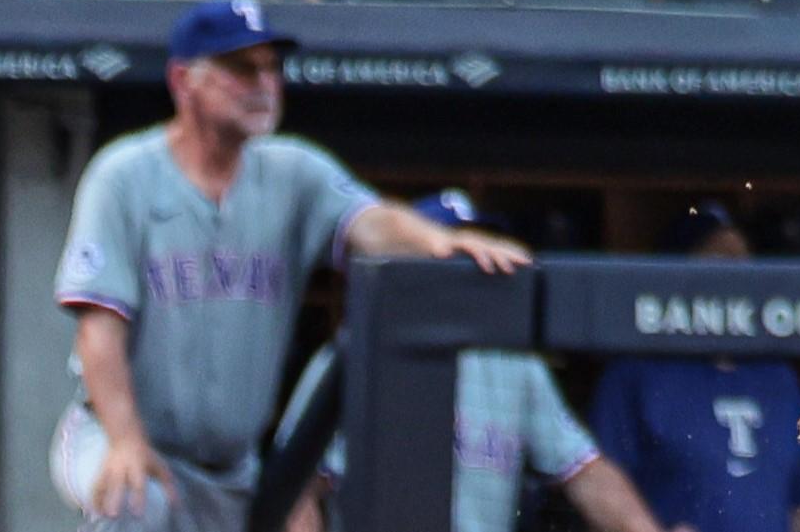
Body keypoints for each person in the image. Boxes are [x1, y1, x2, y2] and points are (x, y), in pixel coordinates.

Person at [52, 0, 529, 532]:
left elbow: (370, 223)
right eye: (242, 69)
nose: (264, 83)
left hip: (233, 466)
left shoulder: (294, 172)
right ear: (184, 80)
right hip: (116, 431)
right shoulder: (123, 176)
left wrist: (441, 242)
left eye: (271, 68)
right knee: (135, 502)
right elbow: (99, 330)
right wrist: (125, 440)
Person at [286, 191, 673, 532]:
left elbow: (585, 473)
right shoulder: (352, 354)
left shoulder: (512, 361)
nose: (471, 270)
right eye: (455, 257)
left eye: (476, 254)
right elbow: (295, 494)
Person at [589, 204, 800, 532]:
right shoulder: (634, 374)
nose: (735, 283)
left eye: (743, 267)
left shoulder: (776, 375)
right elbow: (599, 489)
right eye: (721, 266)